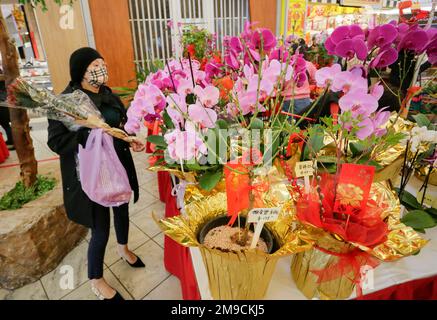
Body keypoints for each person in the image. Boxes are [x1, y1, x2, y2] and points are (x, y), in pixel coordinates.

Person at [47, 47, 145, 301]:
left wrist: (130, 138)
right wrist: (87, 133)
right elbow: (56, 142)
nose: (102, 69)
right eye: (95, 66)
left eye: (103, 63)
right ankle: (96, 279)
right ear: (81, 72)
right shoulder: (65, 103)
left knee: (122, 210)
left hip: (117, 167)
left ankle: (123, 248)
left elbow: (119, 125)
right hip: (91, 176)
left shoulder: (107, 94)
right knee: (100, 227)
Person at [0, 80, 14, 149]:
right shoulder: (3, 79)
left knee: (6, 125)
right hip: (5, 103)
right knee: (6, 125)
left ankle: (12, 141)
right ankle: (11, 140)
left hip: (2, 105)